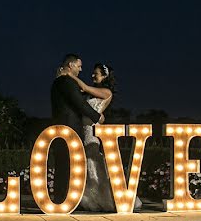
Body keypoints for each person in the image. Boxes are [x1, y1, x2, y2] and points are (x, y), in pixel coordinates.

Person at [64, 63, 143, 212]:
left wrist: (71, 75)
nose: (93, 75)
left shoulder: (106, 92)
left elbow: (85, 88)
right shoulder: (90, 94)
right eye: (93, 73)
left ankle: (101, 197)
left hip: (92, 130)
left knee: (92, 157)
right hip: (83, 129)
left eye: (96, 74)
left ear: (105, 76)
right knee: (86, 160)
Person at [50, 54, 103, 202]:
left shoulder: (58, 82)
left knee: (63, 163)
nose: (81, 69)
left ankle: (61, 198)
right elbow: (80, 103)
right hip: (69, 128)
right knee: (67, 164)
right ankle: (64, 199)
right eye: (79, 66)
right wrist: (97, 116)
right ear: (71, 65)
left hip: (61, 127)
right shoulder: (66, 81)